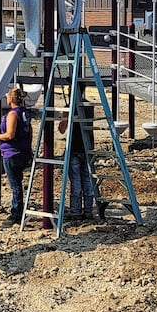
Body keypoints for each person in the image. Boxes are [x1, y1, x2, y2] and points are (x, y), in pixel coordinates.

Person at [0, 84, 32, 224]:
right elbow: (29, 132)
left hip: (12, 153)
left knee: (15, 186)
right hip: (22, 151)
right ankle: (18, 212)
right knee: (17, 184)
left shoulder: (13, 114)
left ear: (11, 99)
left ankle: (16, 215)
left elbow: (10, 134)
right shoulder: (24, 112)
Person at [58, 84, 98, 219]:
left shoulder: (69, 107)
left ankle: (75, 210)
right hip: (87, 147)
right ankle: (88, 210)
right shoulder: (88, 106)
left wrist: (65, 114)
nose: (68, 90)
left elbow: (62, 129)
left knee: (75, 180)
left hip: (74, 147)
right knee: (87, 180)